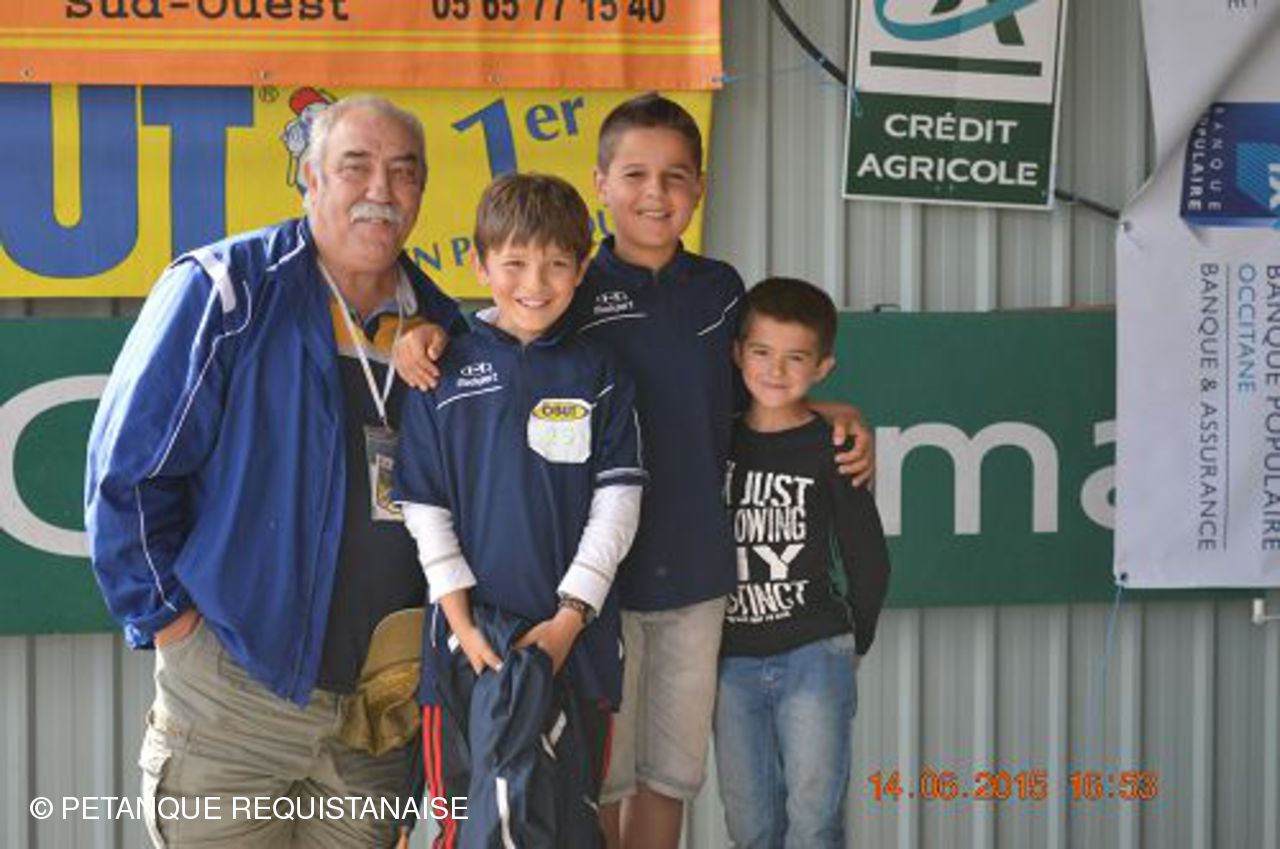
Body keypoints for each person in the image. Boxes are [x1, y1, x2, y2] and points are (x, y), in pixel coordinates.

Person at [394, 93, 875, 849]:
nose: (656, 193)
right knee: (601, 777)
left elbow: (760, 382)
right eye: (635, 175)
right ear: (602, 184)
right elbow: (494, 333)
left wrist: (828, 409)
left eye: (675, 176)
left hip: (694, 573)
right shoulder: (571, 288)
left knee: (670, 775)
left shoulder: (720, 289)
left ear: (700, 188)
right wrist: (419, 334)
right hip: (595, 588)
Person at [84, 95, 462, 848]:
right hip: (235, 700)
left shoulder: (445, 330)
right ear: (309, 179)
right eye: (355, 167)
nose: (381, 190)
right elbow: (126, 477)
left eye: (403, 172)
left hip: (374, 719)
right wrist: (177, 629)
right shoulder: (225, 291)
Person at [393, 173, 645, 848]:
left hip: (578, 650)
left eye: (557, 264)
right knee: (465, 824)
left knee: (570, 824)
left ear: (582, 269)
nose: (535, 283)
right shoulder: (440, 371)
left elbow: (618, 506)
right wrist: (462, 625)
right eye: (514, 263)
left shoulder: (601, 373)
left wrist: (569, 620)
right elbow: (425, 509)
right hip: (464, 652)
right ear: (480, 265)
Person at [715, 277, 890, 849]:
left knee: (814, 822)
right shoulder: (715, 441)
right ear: (738, 353)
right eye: (762, 352)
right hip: (731, 663)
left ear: (822, 367)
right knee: (750, 826)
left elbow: (867, 555)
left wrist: (855, 641)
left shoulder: (832, 446)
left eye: (795, 358)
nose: (775, 369)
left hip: (814, 653)